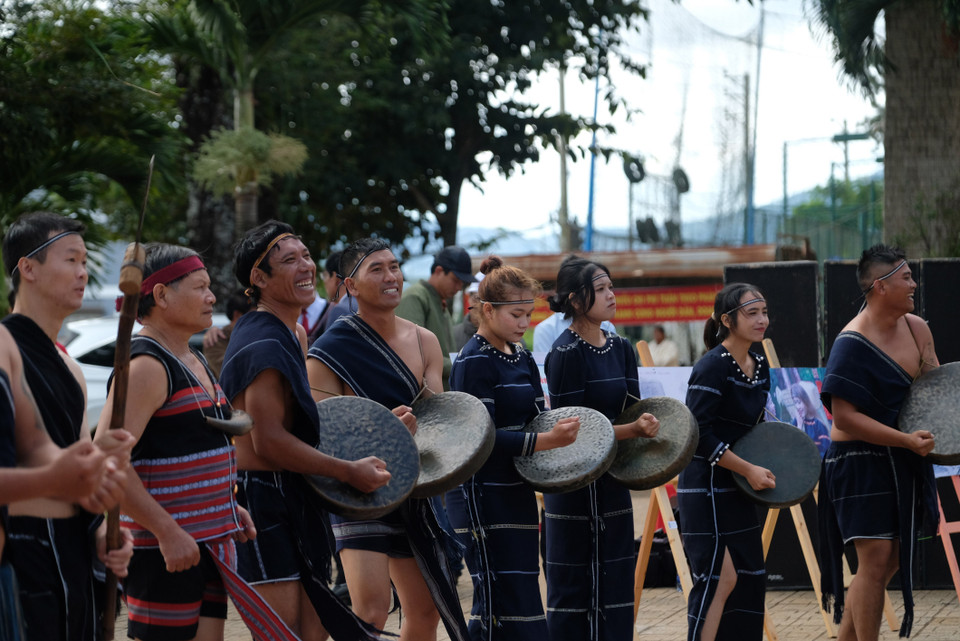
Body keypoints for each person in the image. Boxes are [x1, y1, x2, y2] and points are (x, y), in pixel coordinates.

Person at [95, 244, 301, 641]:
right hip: (164, 551)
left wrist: (228, 506)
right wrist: (166, 531)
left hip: (207, 543)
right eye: (200, 287)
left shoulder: (192, 357)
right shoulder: (146, 367)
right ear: (160, 296)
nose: (211, 297)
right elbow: (108, 458)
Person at [219, 221, 390, 641]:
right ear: (258, 279)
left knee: (313, 631)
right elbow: (269, 441)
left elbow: (305, 422)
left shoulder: (292, 331)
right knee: (283, 635)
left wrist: (379, 428)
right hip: (259, 496)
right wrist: (347, 471)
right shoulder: (262, 340)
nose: (306, 267)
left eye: (307, 256)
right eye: (289, 260)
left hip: (294, 490)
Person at [307, 238, 469, 641]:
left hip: (415, 486)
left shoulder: (423, 341)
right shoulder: (327, 351)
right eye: (376, 269)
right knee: (371, 610)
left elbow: (435, 420)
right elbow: (320, 433)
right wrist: (381, 430)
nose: (391, 276)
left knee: (425, 609)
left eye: (394, 266)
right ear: (350, 286)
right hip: (358, 491)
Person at [1, 211, 134, 641]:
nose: (83, 273)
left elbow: (72, 461)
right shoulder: (5, 347)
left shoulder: (70, 368)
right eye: (71, 260)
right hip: (21, 553)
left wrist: (102, 530)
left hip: (72, 556)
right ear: (28, 268)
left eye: (84, 261)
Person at [444, 255, 580, 641]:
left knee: (521, 597)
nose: (524, 324)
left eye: (528, 315)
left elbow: (538, 417)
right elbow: (479, 436)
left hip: (517, 489)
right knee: (497, 602)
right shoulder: (473, 361)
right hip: (482, 495)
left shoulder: (521, 356)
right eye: (516, 315)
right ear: (487, 310)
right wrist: (546, 440)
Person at [818, 245, 939, 641]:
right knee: (874, 560)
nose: (914, 284)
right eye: (906, 277)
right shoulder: (852, 342)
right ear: (880, 286)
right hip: (857, 459)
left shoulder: (917, 329)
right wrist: (905, 439)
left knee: (888, 562)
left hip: (902, 455)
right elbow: (845, 416)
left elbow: (934, 392)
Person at [542, 257, 660, 641]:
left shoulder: (622, 347)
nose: (612, 295)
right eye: (603, 288)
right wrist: (632, 430)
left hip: (613, 481)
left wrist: (648, 427)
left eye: (612, 287)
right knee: (574, 590)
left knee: (615, 587)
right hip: (573, 484)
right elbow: (573, 430)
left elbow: (633, 407)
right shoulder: (564, 352)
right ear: (576, 301)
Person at [677, 282, 776, 641]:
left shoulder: (760, 361)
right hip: (705, 486)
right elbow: (698, 434)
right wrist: (748, 469)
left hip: (736, 485)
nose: (762, 319)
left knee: (749, 579)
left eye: (764, 312)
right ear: (728, 320)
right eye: (752, 313)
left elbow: (757, 425)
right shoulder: (711, 366)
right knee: (720, 579)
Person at [395, 245, 475, 390]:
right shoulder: (415, 297)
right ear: (438, 271)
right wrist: (462, 364)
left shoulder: (439, 300)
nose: (458, 287)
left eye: (462, 283)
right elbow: (413, 353)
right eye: (455, 280)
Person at [203, 289, 255, 377]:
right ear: (237, 315)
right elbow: (232, 374)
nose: (259, 322)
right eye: (254, 316)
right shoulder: (216, 340)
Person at [790, 381, 830, 456]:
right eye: (795, 402)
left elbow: (825, 452)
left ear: (806, 400)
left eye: (799, 402)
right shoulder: (796, 422)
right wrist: (799, 426)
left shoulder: (818, 425)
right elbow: (793, 448)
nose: (797, 407)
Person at [452, 272, 483, 351]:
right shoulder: (451, 335)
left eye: (486, 301)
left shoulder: (509, 339)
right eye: (477, 298)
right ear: (468, 298)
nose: (480, 305)